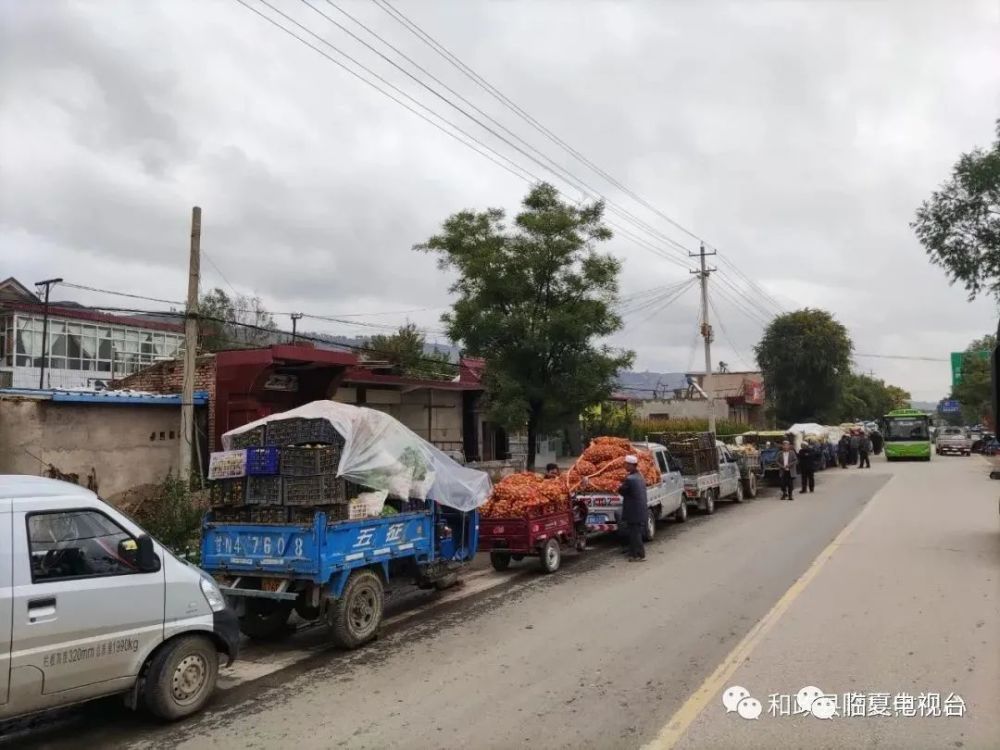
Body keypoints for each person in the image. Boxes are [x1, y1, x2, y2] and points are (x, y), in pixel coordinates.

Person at [618, 455, 647, 562]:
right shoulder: (640, 476)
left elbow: (621, 491)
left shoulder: (630, 479)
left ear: (631, 465)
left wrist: (618, 485)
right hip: (640, 510)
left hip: (634, 511)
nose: (625, 466)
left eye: (626, 464)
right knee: (636, 533)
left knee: (635, 534)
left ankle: (638, 555)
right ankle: (634, 553)